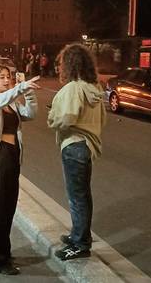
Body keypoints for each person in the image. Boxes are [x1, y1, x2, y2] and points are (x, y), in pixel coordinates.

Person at [0, 65, 39, 275]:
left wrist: (28, 92)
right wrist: (19, 88)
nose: (6, 80)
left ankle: (4, 251)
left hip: (13, 156)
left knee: (9, 206)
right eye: (1, 77)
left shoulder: (11, 103)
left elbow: (31, 113)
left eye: (8, 77)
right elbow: (0, 100)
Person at [47, 44, 106, 261]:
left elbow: (67, 118)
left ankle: (80, 244)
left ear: (69, 65)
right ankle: (79, 235)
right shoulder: (94, 89)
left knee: (76, 197)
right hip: (87, 145)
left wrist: (52, 119)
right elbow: (101, 120)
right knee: (83, 195)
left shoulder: (73, 88)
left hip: (73, 145)